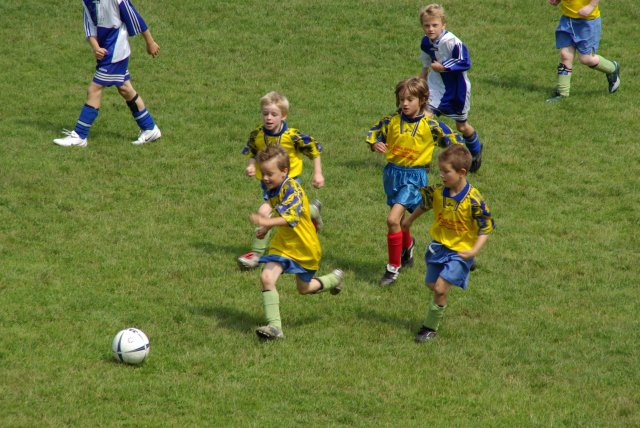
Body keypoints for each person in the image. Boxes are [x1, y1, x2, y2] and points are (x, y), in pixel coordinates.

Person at [366, 77, 464, 286]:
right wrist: (375, 144)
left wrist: (453, 164)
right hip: (392, 175)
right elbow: (374, 133)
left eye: (410, 99)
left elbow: (454, 141)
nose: (405, 103)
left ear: (422, 100)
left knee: (392, 220)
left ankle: (392, 269)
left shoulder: (430, 126)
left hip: (414, 177)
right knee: (401, 221)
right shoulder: (391, 121)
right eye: (402, 99)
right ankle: (407, 246)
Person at [249, 145, 344, 340]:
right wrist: (266, 229)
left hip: (304, 247)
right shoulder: (273, 186)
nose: (265, 178)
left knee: (304, 288)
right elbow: (279, 210)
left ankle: (334, 279)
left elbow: (290, 218)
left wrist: (266, 222)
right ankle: (275, 328)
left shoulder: (292, 189)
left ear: (284, 171)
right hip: (283, 245)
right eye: (263, 173)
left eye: (269, 174)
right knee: (267, 277)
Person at [402, 145, 495, 342]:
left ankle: (429, 328)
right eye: (440, 171)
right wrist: (409, 220)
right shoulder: (437, 192)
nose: (441, 175)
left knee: (440, 289)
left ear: (462, 172)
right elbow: (425, 205)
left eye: (446, 171)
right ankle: (457, 274)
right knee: (431, 284)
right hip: (439, 248)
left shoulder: (474, 200)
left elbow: (486, 227)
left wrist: (473, 251)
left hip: (461, 251)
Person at [53, 0, 161, 147]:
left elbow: (134, 17)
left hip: (116, 50)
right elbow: (90, 26)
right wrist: (95, 47)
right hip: (106, 51)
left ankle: (80, 135)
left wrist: (150, 42)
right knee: (125, 88)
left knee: (94, 89)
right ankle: (150, 128)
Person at [238, 91, 324, 270]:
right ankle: (313, 210)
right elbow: (253, 150)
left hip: (290, 184)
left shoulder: (292, 136)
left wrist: (318, 173)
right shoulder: (258, 134)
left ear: (283, 116)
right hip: (268, 184)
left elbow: (314, 149)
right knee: (294, 211)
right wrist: (251, 165)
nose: (269, 118)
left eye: (274, 114)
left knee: (265, 211)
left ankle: (256, 255)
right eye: (265, 113)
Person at [418, 4, 483, 173]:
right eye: (426, 25)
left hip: (457, 89)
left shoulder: (452, 41)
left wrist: (444, 67)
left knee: (462, 127)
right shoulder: (425, 42)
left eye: (435, 25)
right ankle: (423, 160)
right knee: (425, 120)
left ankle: (476, 152)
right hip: (435, 86)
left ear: (443, 24)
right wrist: (420, 80)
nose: (430, 29)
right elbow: (426, 63)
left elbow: (465, 61)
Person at [546, 0, 620, 103]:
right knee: (565, 55)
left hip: (587, 22)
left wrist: (591, 6)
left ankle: (612, 68)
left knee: (586, 59)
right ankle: (562, 93)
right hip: (567, 20)